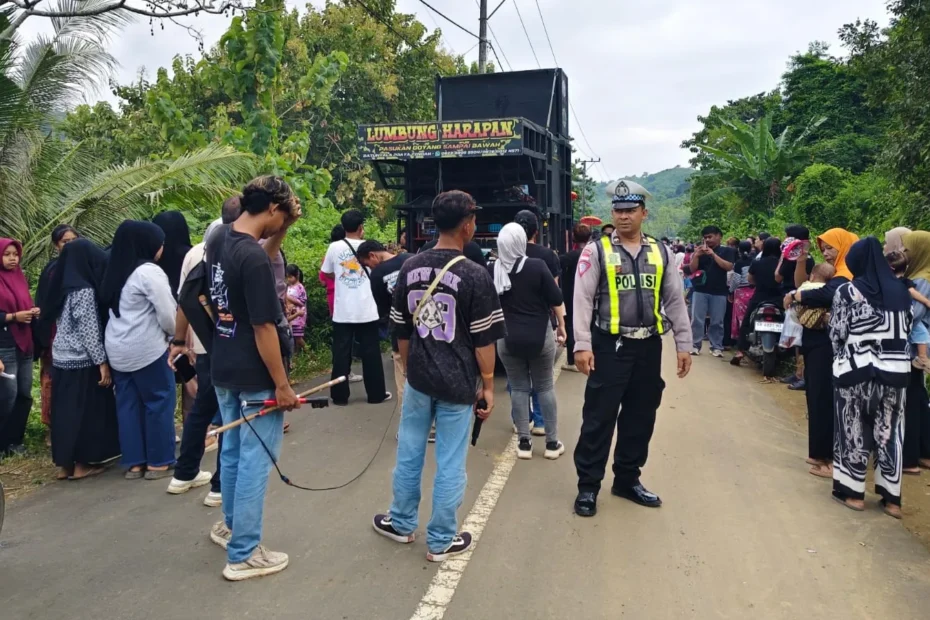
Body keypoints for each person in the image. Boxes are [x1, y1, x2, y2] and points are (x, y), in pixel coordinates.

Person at [372, 190, 505, 562]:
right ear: (467, 224)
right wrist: (489, 386)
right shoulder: (475, 275)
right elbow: (483, 341)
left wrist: (413, 366)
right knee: (450, 459)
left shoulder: (409, 268)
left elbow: (400, 330)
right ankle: (441, 539)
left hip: (419, 380)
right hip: (459, 383)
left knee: (411, 449)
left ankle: (400, 523)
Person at [571, 180, 692, 517]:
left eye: (630, 210)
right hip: (610, 345)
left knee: (641, 416)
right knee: (599, 417)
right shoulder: (596, 251)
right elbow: (581, 299)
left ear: (643, 213)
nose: (623, 216)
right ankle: (588, 487)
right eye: (618, 210)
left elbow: (674, 300)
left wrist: (684, 343)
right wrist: (582, 344)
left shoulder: (661, 252)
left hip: (648, 346)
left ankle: (627, 479)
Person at [206, 175, 301, 581]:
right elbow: (264, 327)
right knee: (254, 460)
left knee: (231, 451)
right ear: (274, 209)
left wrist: (283, 231)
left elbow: (255, 254)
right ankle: (244, 553)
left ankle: (230, 528)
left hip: (223, 362)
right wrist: (282, 385)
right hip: (255, 371)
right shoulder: (255, 259)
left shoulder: (218, 239)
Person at [823, 237, 910, 518]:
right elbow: (907, 328)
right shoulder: (901, 290)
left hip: (855, 372)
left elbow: (837, 333)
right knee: (890, 434)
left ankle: (854, 494)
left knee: (853, 430)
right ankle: (892, 500)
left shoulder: (848, 291)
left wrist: (841, 356)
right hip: (895, 375)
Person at [100, 221, 177, 480]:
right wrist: (173, 336)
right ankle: (159, 462)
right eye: (160, 243)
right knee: (158, 400)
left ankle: (135, 463)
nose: (162, 248)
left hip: (117, 348)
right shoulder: (148, 272)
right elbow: (167, 313)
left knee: (128, 405)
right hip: (146, 348)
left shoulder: (114, 269)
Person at [787, 228, 859, 480]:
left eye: (830, 248)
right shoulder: (838, 274)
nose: (826, 253)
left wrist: (799, 295)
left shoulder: (847, 276)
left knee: (823, 398)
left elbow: (828, 294)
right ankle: (818, 453)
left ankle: (826, 458)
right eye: (823, 249)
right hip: (816, 343)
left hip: (828, 346)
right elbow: (810, 287)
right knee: (816, 396)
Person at [492, 223, 567, 460]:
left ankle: (524, 442)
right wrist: (563, 328)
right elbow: (556, 299)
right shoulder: (537, 266)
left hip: (506, 338)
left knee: (519, 387)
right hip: (540, 336)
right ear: (522, 242)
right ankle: (552, 443)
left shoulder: (495, 268)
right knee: (544, 386)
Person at [45, 239, 119, 480]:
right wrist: (102, 363)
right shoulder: (84, 290)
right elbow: (88, 331)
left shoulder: (60, 287)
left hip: (61, 358)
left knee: (64, 412)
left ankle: (64, 464)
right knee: (84, 414)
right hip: (82, 360)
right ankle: (81, 465)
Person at [166, 218, 227, 503]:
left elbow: (183, 300)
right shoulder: (234, 251)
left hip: (202, 345)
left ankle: (184, 472)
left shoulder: (193, 253)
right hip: (229, 347)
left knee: (202, 408)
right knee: (231, 413)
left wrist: (180, 340)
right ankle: (219, 485)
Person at [321, 210, 390, 406]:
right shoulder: (372, 247)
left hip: (342, 310)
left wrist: (344, 280)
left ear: (343, 227)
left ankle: (339, 396)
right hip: (367, 309)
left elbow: (327, 273)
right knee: (371, 354)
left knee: (341, 354)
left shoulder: (334, 247)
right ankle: (376, 395)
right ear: (361, 228)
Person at [356, 239, 414, 416]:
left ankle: (408, 425)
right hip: (427, 329)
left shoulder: (377, 275)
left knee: (404, 377)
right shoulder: (411, 259)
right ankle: (433, 426)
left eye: (368, 264)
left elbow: (382, 310)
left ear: (372, 255)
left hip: (399, 332)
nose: (371, 268)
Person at [33, 224, 79, 440]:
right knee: (51, 380)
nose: (69, 246)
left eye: (73, 241)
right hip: (53, 335)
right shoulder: (52, 271)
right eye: (64, 242)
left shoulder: (82, 266)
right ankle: (52, 429)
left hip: (76, 338)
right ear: (56, 245)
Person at [0, 239, 41, 457]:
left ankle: (15, 441)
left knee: (24, 394)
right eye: (6, 254)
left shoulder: (19, 278)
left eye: (15, 254)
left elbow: (24, 303)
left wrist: (32, 311)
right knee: (7, 395)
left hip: (24, 343)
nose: (12, 258)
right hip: (4, 346)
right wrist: (14, 316)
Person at [901, 231, 930, 473]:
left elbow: (913, 316)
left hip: (912, 350)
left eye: (907, 250)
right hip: (917, 349)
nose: (904, 255)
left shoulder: (922, 280)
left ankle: (909, 457)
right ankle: (923, 452)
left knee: (910, 399)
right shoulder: (919, 277)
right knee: (919, 397)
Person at [731, 237, 783, 370]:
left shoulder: (757, 262)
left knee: (747, 322)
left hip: (759, 297)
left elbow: (750, 280)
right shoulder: (782, 263)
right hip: (778, 299)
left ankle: (740, 351)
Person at [689, 225, 736, 357]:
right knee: (697, 319)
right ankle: (695, 345)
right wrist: (697, 256)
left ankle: (716, 346)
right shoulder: (700, 252)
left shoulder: (728, 251)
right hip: (700, 289)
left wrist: (713, 255)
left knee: (717, 321)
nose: (708, 240)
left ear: (719, 236)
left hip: (720, 291)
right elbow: (692, 269)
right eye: (705, 238)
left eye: (710, 236)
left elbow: (728, 267)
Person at [560, 223, 593, 371]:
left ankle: (571, 361)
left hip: (570, 296)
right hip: (590, 294)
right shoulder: (593, 254)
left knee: (572, 326)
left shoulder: (567, 257)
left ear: (573, 237)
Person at [729, 241, 755, 346]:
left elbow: (736, 280)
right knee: (750, 315)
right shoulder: (754, 261)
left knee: (740, 317)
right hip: (753, 291)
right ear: (750, 249)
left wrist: (730, 291)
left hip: (741, 293)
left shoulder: (739, 263)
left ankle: (740, 341)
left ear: (738, 250)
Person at [319, 224, 344, 317]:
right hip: (347, 295)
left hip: (332, 296)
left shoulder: (327, 257)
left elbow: (323, 282)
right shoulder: (349, 257)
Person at [285, 265, 307, 353]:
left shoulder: (300, 287)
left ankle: (311, 354)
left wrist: (289, 298)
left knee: (298, 337)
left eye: (290, 277)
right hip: (291, 315)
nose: (288, 279)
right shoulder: (289, 287)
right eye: (287, 277)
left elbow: (302, 301)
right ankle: (296, 357)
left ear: (297, 276)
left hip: (299, 316)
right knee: (292, 337)